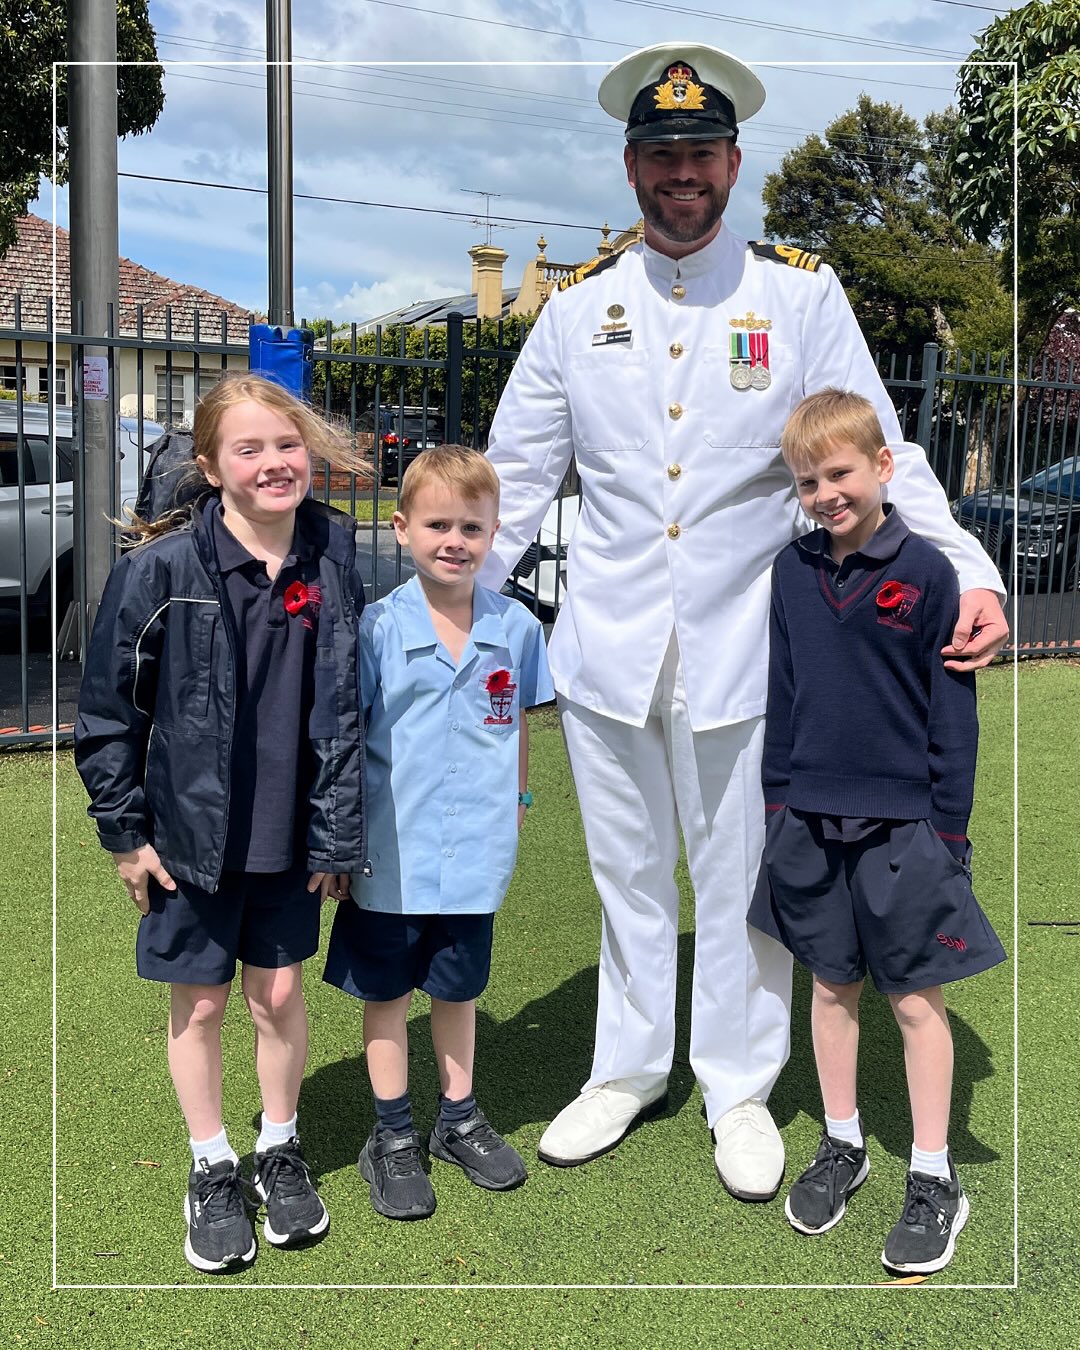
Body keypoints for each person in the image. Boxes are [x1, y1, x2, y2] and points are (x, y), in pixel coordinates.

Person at [476, 41, 1008, 1202]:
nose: (683, 174)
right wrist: (442, 613)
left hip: (753, 649)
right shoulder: (578, 313)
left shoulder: (799, 293)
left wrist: (970, 567)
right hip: (611, 644)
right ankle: (624, 1070)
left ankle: (738, 1086)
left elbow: (878, 450)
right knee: (627, 877)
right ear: (631, 166)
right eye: (663, 155)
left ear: (732, 162)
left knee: (741, 882)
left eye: (702, 153)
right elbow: (513, 479)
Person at [74, 373, 366, 1274]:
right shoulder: (156, 572)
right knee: (199, 1004)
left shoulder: (335, 555)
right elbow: (109, 713)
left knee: (278, 996)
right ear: (210, 465)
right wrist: (126, 833)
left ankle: (281, 1146)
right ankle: (211, 1164)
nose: (274, 464)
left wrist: (338, 833)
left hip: (293, 836)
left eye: (287, 445)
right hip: (191, 839)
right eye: (250, 449)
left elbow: (348, 707)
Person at [747, 388, 1006, 1273]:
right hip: (808, 820)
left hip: (908, 829)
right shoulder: (790, 571)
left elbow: (951, 715)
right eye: (808, 480)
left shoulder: (931, 574)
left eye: (841, 472)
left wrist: (951, 831)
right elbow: (781, 699)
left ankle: (935, 1176)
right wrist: (778, 806)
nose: (826, 492)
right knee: (829, 987)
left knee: (912, 1000)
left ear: (883, 467)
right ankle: (843, 1143)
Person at [322, 445, 554, 1221]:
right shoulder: (379, 628)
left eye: (471, 527)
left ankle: (458, 1118)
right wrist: (344, 841)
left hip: (476, 853)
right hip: (390, 852)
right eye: (437, 525)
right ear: (402, 528)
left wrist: (517, 800)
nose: (454, 541)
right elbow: (350, 739)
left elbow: (519, 722)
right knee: (385, 993)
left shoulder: (516, 627)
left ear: (494, 533)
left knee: (458, 990)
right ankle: (391, 1134)